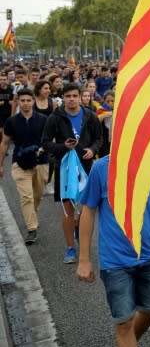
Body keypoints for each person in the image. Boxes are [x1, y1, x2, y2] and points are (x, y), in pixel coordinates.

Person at [76, 155, 150, 347]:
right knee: (124, 323)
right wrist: (83, 259)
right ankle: (127, 344)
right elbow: (88, 212)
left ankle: (127, 344)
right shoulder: (101, 168)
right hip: (115, 261)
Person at [42, 82, 103, 263]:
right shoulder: (55, 117)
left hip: (86, 167)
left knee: (86, 209)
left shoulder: (90, 116)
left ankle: (82, 242)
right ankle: (70, 248)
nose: (71, 99)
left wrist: (92, 150)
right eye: (67, 96)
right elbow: (45, 142)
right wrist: (63, 147)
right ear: (63, 98)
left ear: (80, 96)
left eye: (75, 96)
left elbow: (99, 138)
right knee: (68, 209)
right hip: (65, 168)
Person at [0, 88, 49, 245]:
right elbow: (5, 143)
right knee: (26, 197)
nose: (26, 103)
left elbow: (50, 139)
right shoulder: (11, 121)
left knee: (38, 195)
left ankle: (31, 215)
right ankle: (31, 229)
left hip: (41, 162)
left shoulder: (43, 119)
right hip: (19, 163)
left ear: (33, 101)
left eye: (29, 100)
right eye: (23, 101)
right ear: (18, 102)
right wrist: (0, 164)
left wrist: (42, 149)